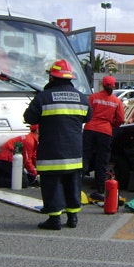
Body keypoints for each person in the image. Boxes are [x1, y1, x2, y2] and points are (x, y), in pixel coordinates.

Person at [23, 59, 91, 230]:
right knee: (72, 184)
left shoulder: (43, 97)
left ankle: (54, 219)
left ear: (52, 77)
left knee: (52, 185)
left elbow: (29, 118)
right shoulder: (81, 98)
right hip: (74, 151)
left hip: (52, 152)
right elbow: (88, 117)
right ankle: (72, 217)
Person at [82, 75, 125, 192]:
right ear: (114, 86)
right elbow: (121, 119)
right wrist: (112, 124)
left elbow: (85, 112)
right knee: (102, 160)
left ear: (102, 84)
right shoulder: (116, 101)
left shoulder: (93, 97)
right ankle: (100, 187)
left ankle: (77, 183)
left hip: (90, 129)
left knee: (85, 156)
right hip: (105, 131)